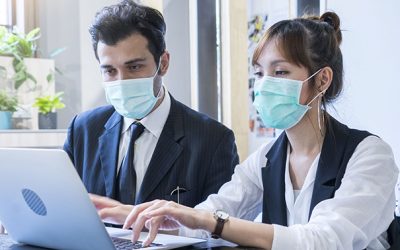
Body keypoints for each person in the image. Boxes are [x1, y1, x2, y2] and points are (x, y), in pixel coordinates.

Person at [92, 12, 399, 249]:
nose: (264, 85)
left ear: (322, 80)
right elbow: (205, 217)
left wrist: (210, 221)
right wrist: (129, 214)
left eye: (279, 72)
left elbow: (323, 240)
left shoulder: (369, 155)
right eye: (259, 74)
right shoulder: (267, 158)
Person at [63, 0, 239, 211]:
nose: (122, 81)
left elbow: (220, 231)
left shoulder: (213, 140)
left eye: (134, 67)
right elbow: (63, 207)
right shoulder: (83, 129)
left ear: (163, 63)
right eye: (110, 71)